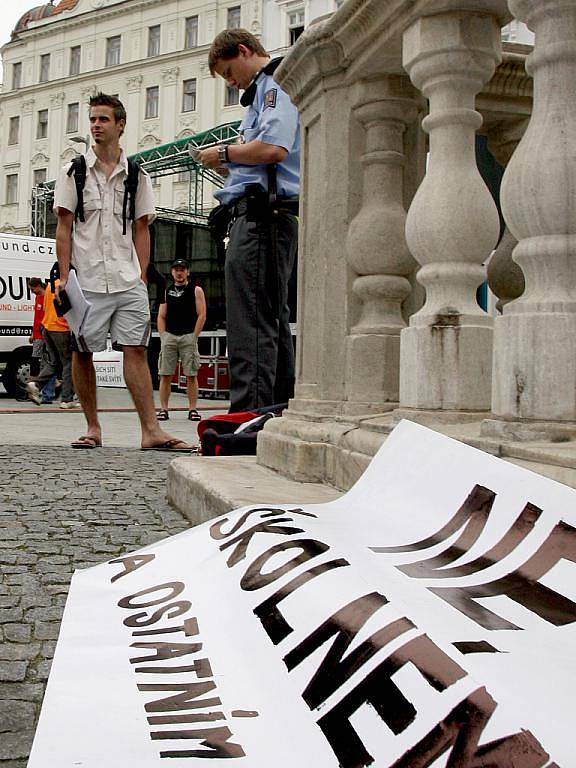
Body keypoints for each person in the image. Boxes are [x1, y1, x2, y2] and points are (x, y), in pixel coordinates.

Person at [53, 91, 194, 451]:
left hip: (127, 278)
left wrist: (142, 275)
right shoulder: (75, 171)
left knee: (136, 350)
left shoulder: (137, 176)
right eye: (93, 119)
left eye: (103, 119)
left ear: (120, 125)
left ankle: (151, 431)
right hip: (86, 279)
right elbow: (64, 227)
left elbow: (142, 228)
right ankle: (93, 427)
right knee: (83, 351)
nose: (96, 125)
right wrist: (64, 277)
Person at [198, 29, 300, 413]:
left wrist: (223, 153)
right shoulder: (263, 92)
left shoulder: (274, 85)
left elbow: (273, 149)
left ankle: (249, 416)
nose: (230, 82)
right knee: (268, 318)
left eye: (228, 72)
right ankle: (272, 410)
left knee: (251, 323)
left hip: (262, 217)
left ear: (243, 51)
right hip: (262, 216)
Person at [156, 259, 207, 422]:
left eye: (182, 269)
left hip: (188, 336)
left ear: (187, 272)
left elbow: (202, 314)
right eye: (176, 270)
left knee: (191, 374)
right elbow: (161, 315)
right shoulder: (166, 291)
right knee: (165, 374)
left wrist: (194, 335)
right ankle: (163, 409)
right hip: (170, 336)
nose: (179, 273)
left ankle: (192, 409)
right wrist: (163, 335)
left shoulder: (196, 290)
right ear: (172, 272)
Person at [26, 277, 76, 408]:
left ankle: (36, 385)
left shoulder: (50, 286)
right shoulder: (67, 285)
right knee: (68, 363)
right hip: (60, 328)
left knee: (53, 361)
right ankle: (66, 399)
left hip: (47, 327)